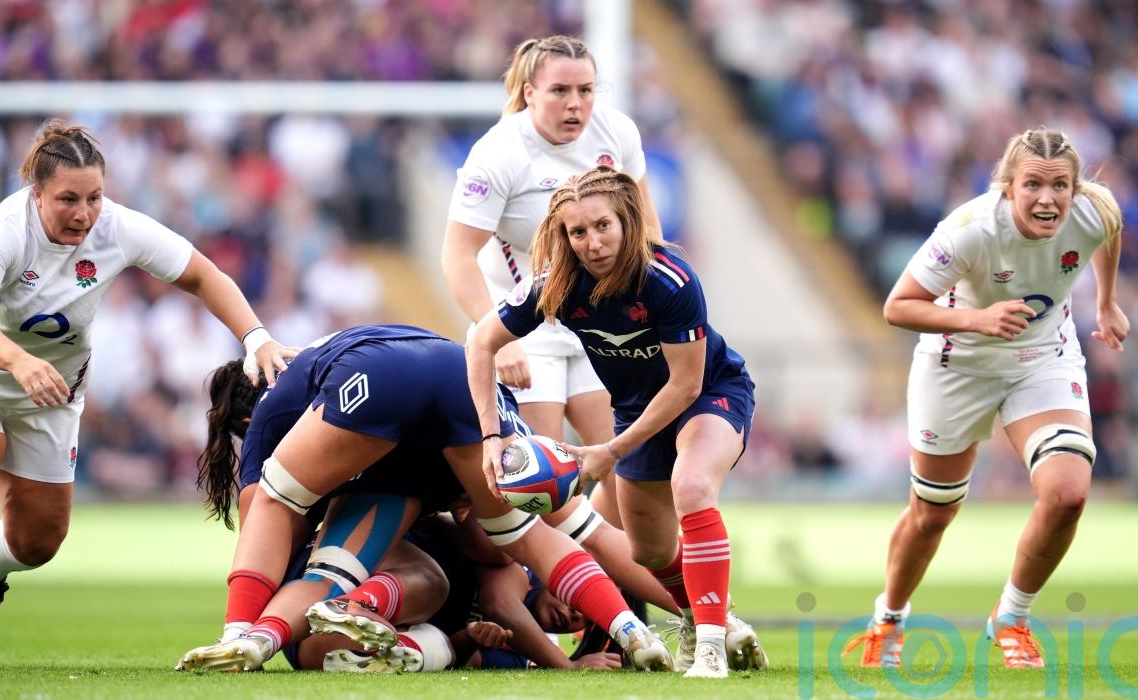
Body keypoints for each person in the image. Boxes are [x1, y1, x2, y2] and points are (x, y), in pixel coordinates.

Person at [0, 120, 296, 657]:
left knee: (38, 543)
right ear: (36, 193)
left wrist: (257, 338)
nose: (83, 213)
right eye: (67, 199)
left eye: (93, 197)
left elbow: (203, 275)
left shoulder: (117, 227)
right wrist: (18, 361)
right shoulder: (4, 230)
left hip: (52, 394)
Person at [176, 324, 673, 672]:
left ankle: (246, 639)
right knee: (533, 535)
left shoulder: (279, 417)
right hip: (454, 375)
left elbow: (264, 528)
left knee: (310, 549)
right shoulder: (424, 478)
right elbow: (572, 538)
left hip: (386, 378)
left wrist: (245, 618)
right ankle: (640, 630)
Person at [466, 166, 768, 679]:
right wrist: (491, 437)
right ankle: (705, 619)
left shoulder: (670, 279)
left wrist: (611, 450)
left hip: (708, 393)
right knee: (649, 552)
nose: (592, 243)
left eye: (602, 226)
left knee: (692, 486)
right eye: (577, 232)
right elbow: (480, 343)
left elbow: (685, 386)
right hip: (636, 412)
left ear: (626, 220)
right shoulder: (558, 285)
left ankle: (711, 648)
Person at [845, 128, 1128, 669]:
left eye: (1060, 186)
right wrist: (979, 319)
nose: (1047, 198)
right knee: (932, 514)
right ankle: (889, 619)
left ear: (1075, 189)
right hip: (958, 365)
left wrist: (1107, 302)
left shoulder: (1096, 211)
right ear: (1008, 186)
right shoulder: (969, 230)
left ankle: (1012, 617)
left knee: (1068, 493)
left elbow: (1108, 232)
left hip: (1043, 358)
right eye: (1033, 185)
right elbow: (898, 306)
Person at [441, 35, 663, 528]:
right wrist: (496, 337)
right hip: (526, 328)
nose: (576, 104)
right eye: (560, 91)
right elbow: (457, 256)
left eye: (586, 90)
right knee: (545, 483)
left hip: (601, 324)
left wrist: (652, 314)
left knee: (627, 470)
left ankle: (608, 571)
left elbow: (647, 231)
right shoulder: (498, 153)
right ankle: (553, 577)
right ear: (529, 93)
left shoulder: (616, 132)